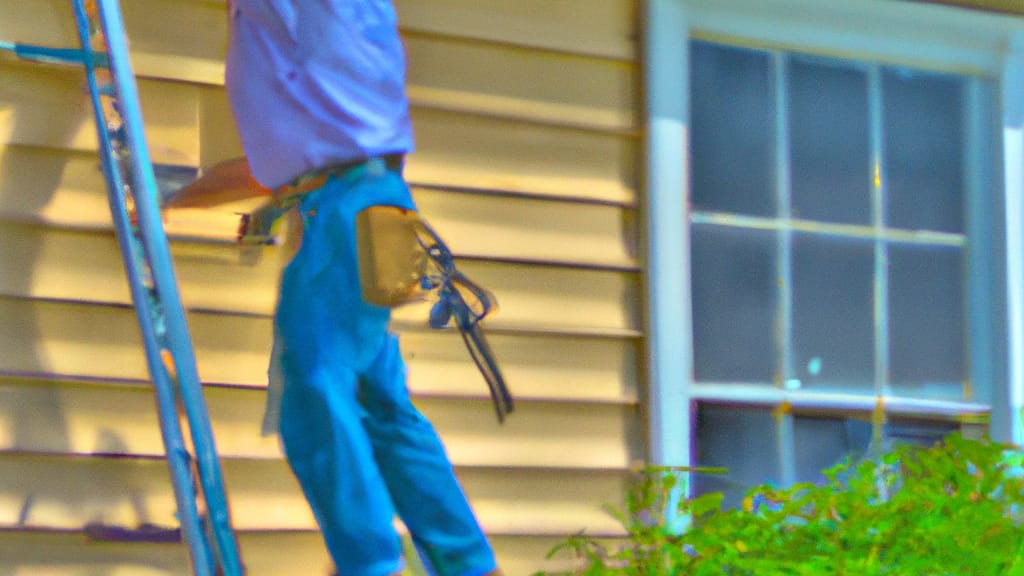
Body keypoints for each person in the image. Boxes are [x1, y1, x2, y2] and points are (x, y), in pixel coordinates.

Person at [166, 2, 501, 575]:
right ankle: (468, 564)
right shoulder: (334, 36)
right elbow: (287, 158)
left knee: (316, 394)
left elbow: (304, 157)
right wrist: (181, 199)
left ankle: (370, 565)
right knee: (380, 404)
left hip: (345, 214)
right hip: (377, 203)